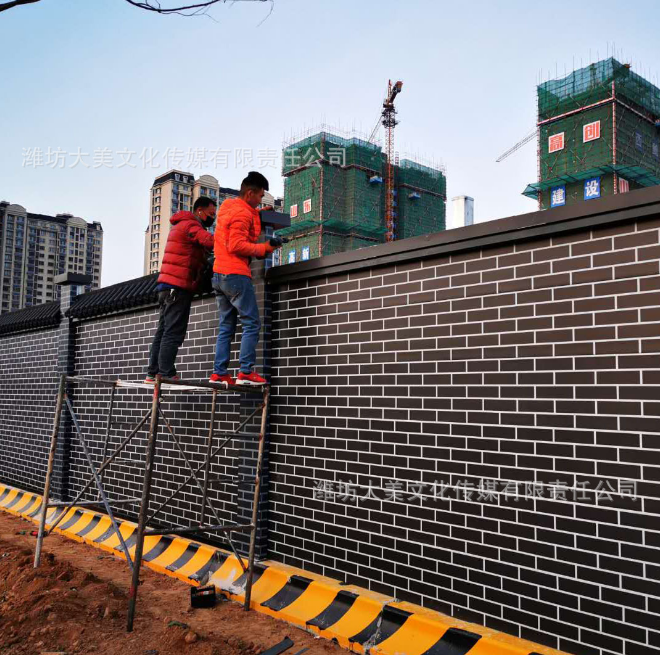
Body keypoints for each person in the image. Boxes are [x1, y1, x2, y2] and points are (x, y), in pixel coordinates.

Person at [210, 171, 283, 386]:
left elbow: (239, 222)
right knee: (251, 323)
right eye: (260, 196)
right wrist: (263, 248)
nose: (261, 199)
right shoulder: (242, 214)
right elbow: (236, 244)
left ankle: (220, 372)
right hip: (235, 275)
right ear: (250, 193)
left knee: (226, 326)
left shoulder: (228, 207)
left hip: (219, 274)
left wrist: (257, 212)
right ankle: (245, 372)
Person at [145, 196, 217, 382]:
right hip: (177, 287)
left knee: (163, 331)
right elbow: (209, 241)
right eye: (211, 214)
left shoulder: (180, 225)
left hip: (166, 287)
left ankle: (153, 372)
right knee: (173, 332)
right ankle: (166, 373)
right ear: (199, 211)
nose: (213, 217)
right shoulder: (191, 225)